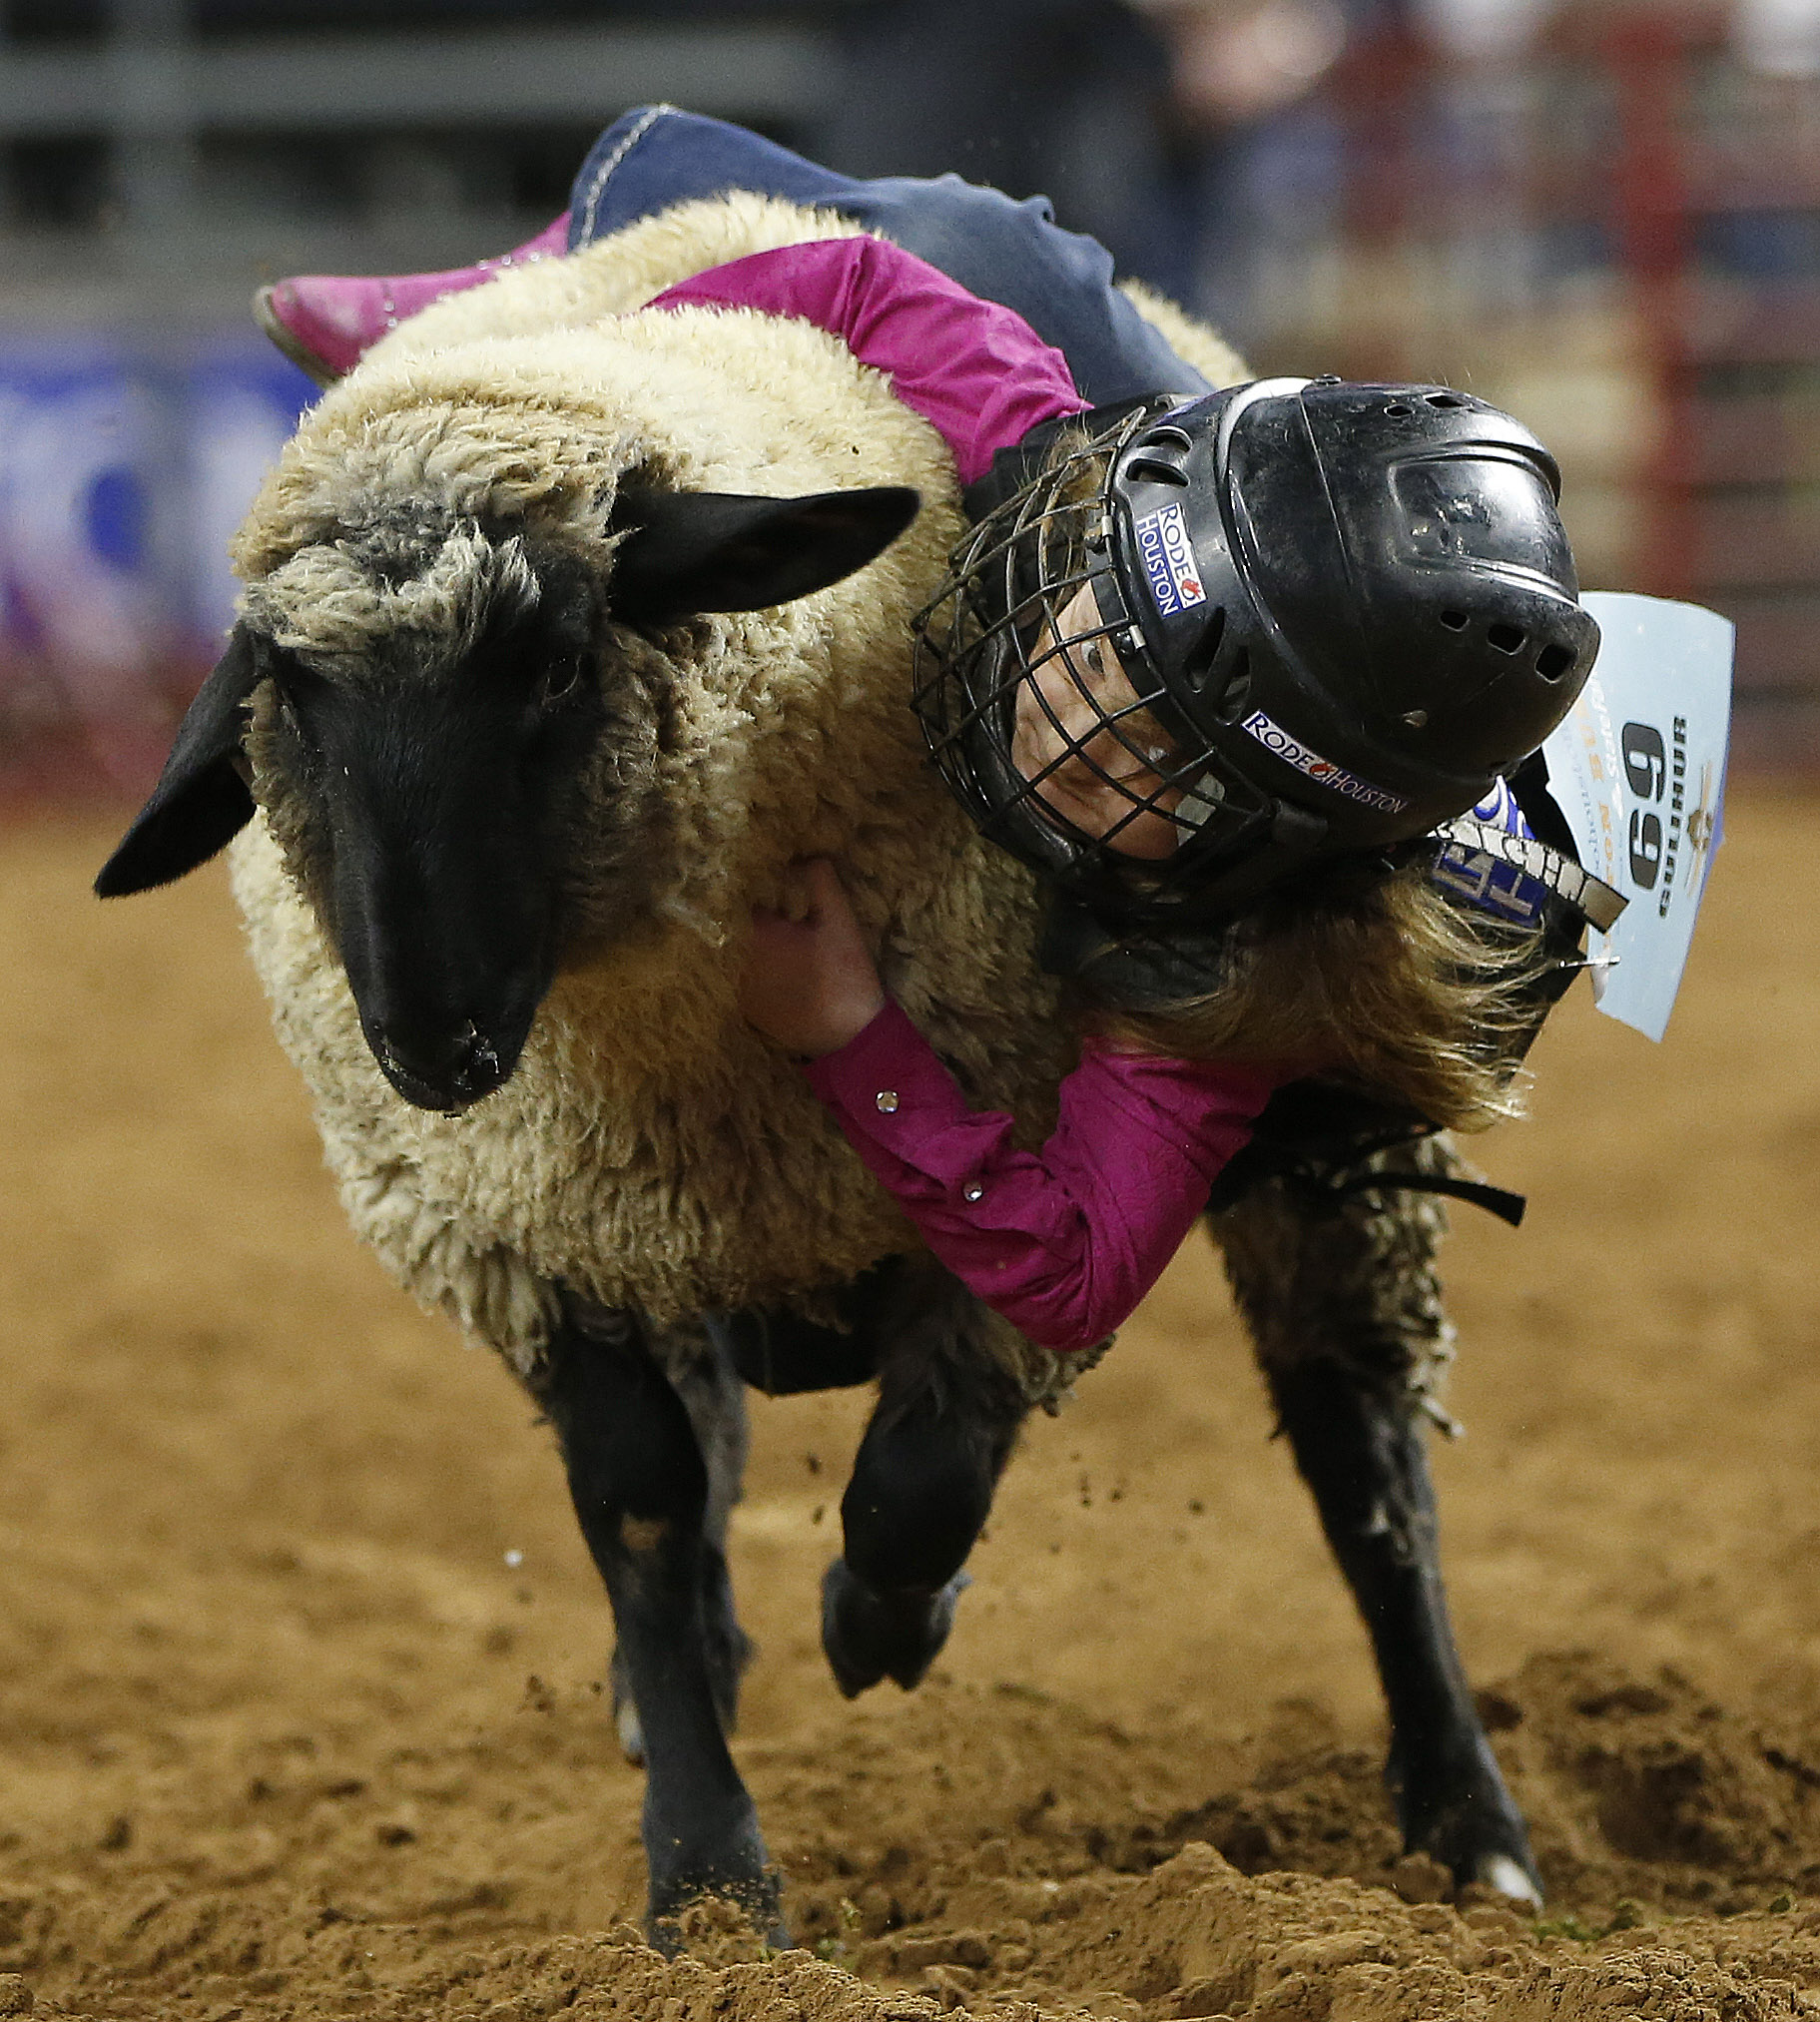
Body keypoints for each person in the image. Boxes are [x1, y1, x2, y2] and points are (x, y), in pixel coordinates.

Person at [254, 106, 1614, 1361]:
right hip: (1152, 429)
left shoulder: (1221, 964)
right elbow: (853, 281)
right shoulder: (1048, 463)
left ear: (1256, 840)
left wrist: (860, 1040)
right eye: (1101, 643)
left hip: (1369, 856)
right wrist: (609, 394)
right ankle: (489, 289)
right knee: (970, 234)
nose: (1072, 720)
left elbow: (1072, 1277)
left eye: (1158, 758)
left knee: (1351, 1114)